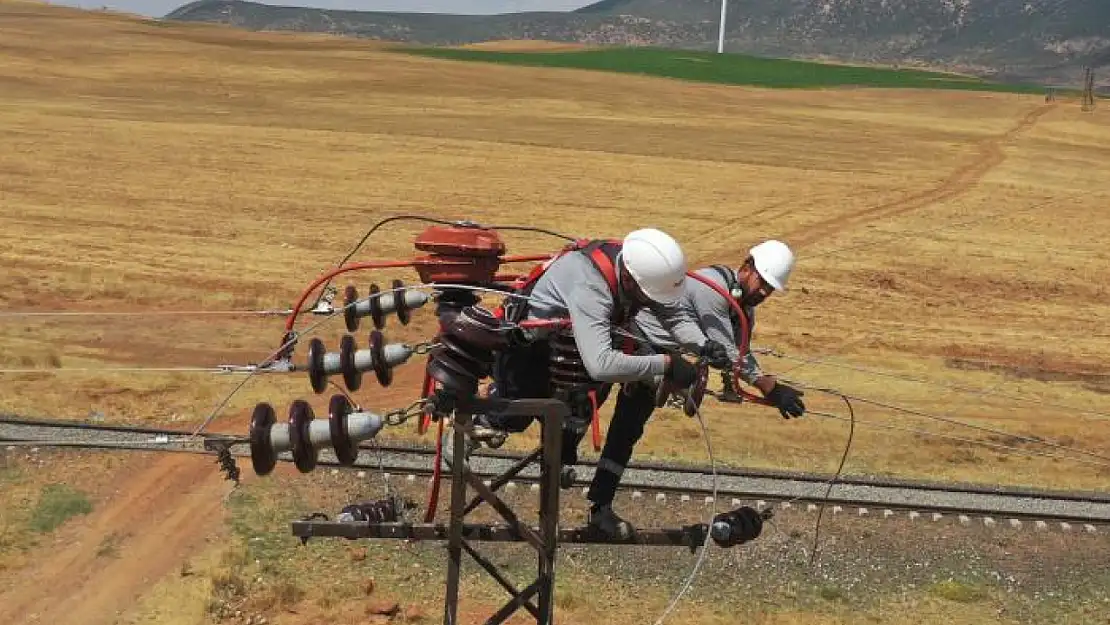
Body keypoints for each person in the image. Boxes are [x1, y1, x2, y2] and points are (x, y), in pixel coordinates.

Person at [584, 239, 807, 538]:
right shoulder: (712, 289)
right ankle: (561, 461)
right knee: (584, 403)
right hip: (629, 339)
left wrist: (738, 383)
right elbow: (728, 350)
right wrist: (771, 387)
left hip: (663, 360)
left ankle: (600, 508)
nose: (764, 292)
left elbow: (736, 354)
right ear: (746, 267)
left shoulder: (743, 311)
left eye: (770, 288)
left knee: (626, 434)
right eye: (763, 283)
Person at [466, 228, 716, 469]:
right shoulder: (592, 286)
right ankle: (473, 431)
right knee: (517, 413)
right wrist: (666, 364)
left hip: (571, 350)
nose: (651, 303)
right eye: (648, 296)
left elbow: (672, 314)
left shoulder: (637, 271)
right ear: (628, 279)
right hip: (532, 348)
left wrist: (703, 344)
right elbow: (601, 365)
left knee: (577, 417)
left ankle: (558, 454)